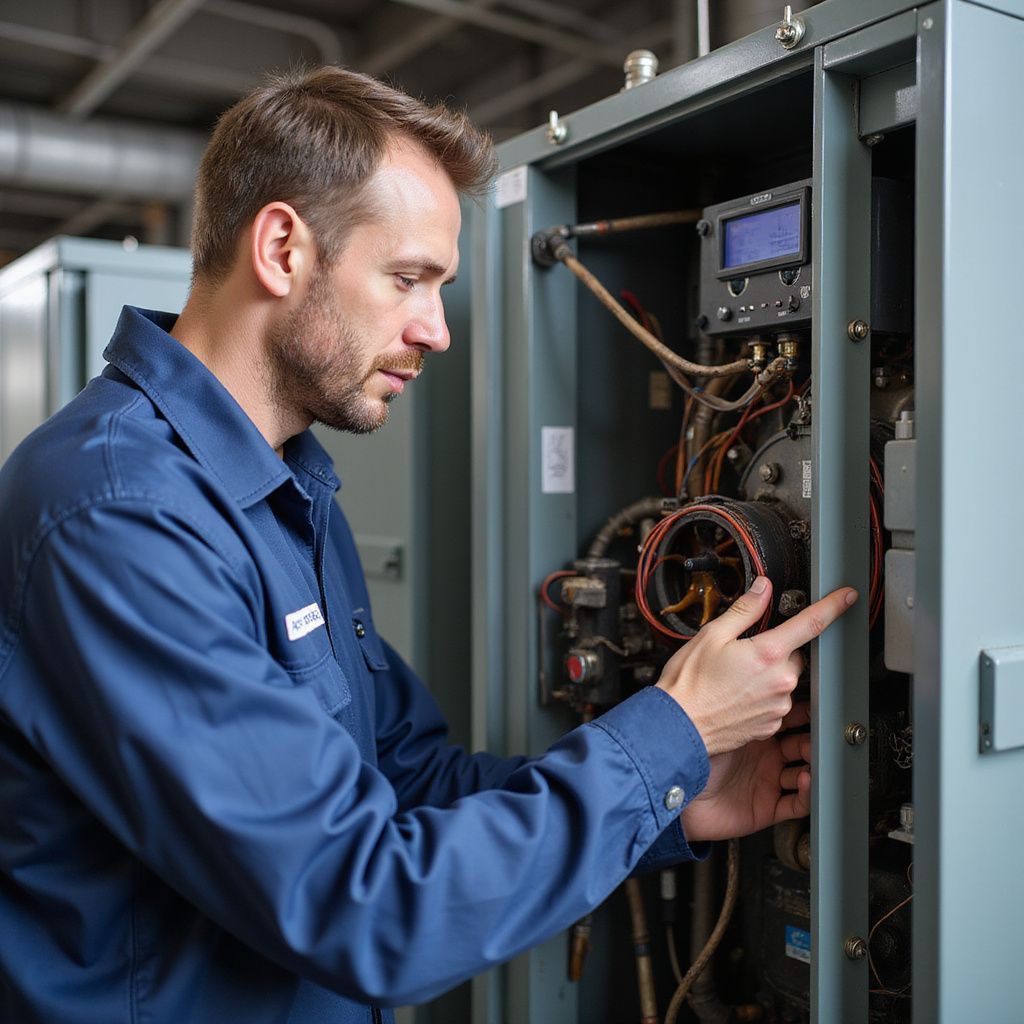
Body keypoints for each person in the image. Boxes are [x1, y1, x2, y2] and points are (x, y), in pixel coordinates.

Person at [0, 67, 854, 1024]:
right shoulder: (120, 513)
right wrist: (670, 735)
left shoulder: (283, 487)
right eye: (408, 279)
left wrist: (674, 800)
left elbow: (406, 783)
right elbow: (364, 906)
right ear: (283, 247)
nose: (437, 330)